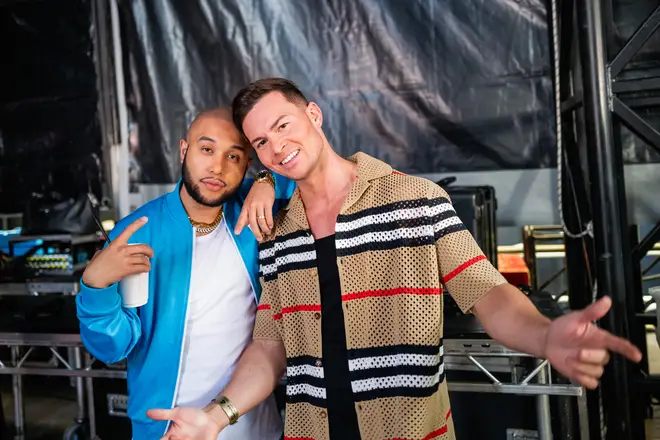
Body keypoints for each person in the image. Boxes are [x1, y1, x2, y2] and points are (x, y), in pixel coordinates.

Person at [148, 79, 642, 440]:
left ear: (314, 116)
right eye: (261, 142)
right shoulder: (279, 234)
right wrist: (216, 416)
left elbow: (485, 291)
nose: (277, 146)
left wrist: (544, 334)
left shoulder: (415, 199)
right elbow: (272, 345)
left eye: (284, 125)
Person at [76, 107, 295, 440]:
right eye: (206, 149)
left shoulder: (252, 216)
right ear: (184, 150)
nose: (217, 167)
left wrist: (267, 180)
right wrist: (96, 286)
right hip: (167, 428)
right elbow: (112, 348)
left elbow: (312, 167)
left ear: (247, 164)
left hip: (254, 425)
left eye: (233, 156)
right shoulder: (137, 233)